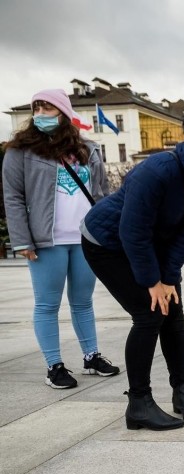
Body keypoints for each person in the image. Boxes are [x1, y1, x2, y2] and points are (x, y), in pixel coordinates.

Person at [81, 107, 184, 430]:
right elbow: (132, 231)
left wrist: (168, 277)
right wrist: (152, 282)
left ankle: (182, 391)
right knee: (150, 313)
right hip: (107, 241)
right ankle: (138, 403)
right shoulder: (159, 170)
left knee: (173, 311)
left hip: (154, 244)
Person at [2, 88, 119, 389]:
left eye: (47, 109)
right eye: (36, 109)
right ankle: (54, 365)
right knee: (47, 304)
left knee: (83, 301)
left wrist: (106, 232)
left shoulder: (88, 149)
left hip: (85, 237)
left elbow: (102, 194)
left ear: (64, 114)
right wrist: (22, 240)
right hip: (46, 240)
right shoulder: (20, 151)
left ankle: (91, 356)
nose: (40, 115)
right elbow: (13, 197)